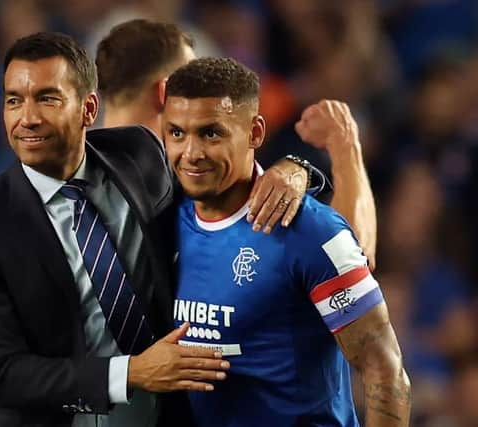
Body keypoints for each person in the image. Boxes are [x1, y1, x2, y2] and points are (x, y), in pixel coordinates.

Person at [0, 32, 309, 427]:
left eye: (47, 98)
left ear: (88, 108)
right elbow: (3, 376)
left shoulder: (138, 153)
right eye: (14, 100)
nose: (27, 118)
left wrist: (296, 169)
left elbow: (223, 185)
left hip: (172, 414)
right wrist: (132, 373)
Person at [164, 57, 410, 426]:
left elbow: (385, 372)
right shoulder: (163, 217)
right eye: (177, 133)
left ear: (255, 133)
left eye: (211, 133)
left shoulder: (309, 231)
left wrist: (338, 153)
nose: (191, 153)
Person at [96, 18, 378, 267]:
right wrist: (345, 148)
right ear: (167, 91)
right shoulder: (183, 186)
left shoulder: (67, 175)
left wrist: (296, 169)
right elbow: (351, 263)